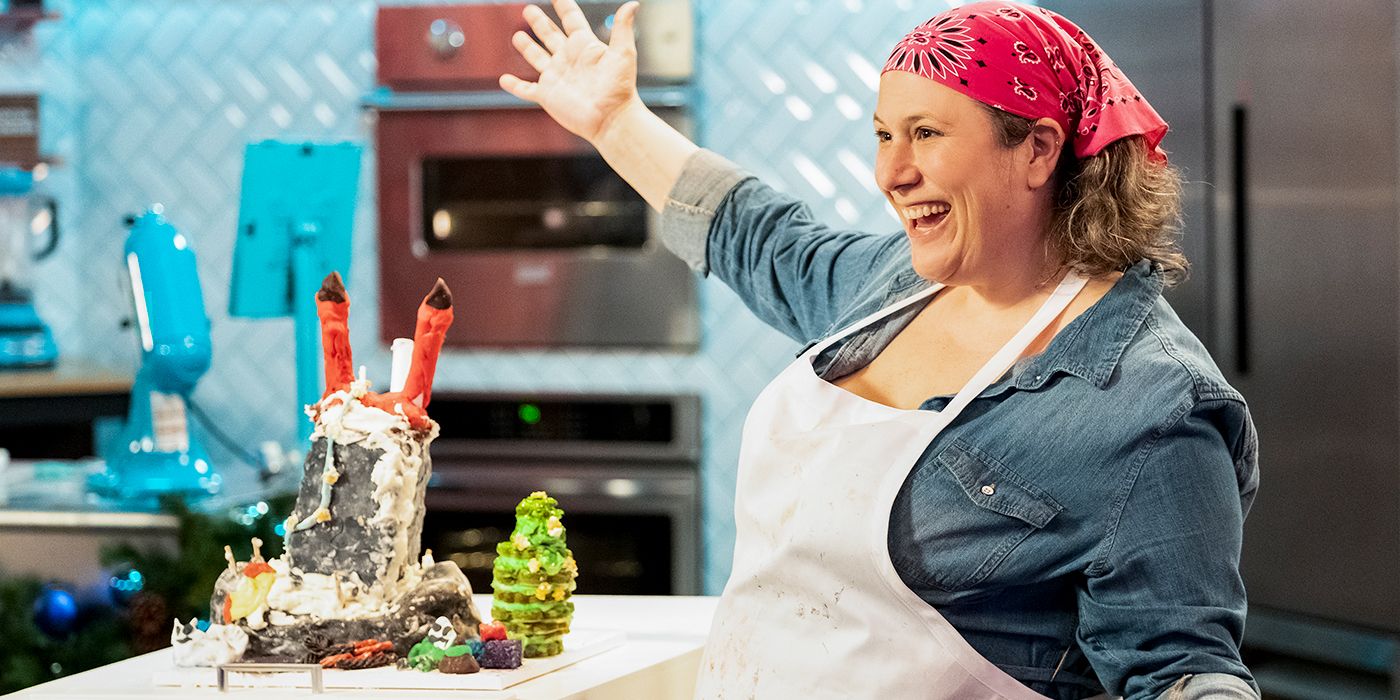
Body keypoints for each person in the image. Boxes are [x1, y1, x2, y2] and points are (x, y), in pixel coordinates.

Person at [500, 1, 1260, 698]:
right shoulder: (893, 283)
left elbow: (1182, 673)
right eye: (883, 135)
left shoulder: (1153, 405)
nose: (891, 174)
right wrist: (614, 122)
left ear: (1037, 149)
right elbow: (758, 235)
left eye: (926, 134)